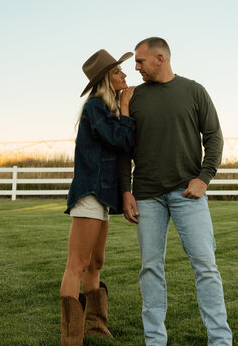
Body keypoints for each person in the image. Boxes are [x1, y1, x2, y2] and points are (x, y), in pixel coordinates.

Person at [119, 37, 233, 346]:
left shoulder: (194, 91)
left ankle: (220, 340)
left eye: (140, 62)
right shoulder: (132, 98)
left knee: (205, 266)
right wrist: (126, 190)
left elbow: (214, 137)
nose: (136, 68)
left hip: (188, 194)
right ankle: (155, 341)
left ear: (160, 58)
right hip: (146, 195)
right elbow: (122, 149)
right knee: (150, 269)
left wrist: (204, 178)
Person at [61, 49, 135, 346]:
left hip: (103, 195)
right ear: (107, 78)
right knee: (77, 265)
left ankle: (96, 327)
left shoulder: (107, 109)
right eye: (119, 72)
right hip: (90, 191)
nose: (125, 76)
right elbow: (120, 140)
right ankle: (71, 338)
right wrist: (127, 109)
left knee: (96, 263)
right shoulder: (94, 106)